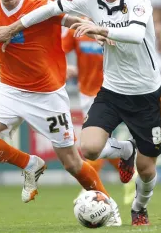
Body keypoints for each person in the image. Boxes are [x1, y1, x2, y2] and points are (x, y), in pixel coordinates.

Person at [0, 0, 161, 226]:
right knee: (89, 148)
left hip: (146, 92)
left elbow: (135, 33)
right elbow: (49, 9)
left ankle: (140, 207)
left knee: (146, 169)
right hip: (112, 90)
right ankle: (125, 150)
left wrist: (98, 29)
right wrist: (13, 28)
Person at [0, 0, 121, 226]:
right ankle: (30, 164)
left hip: (47, 95)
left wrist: (92, 30)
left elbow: (68, 18)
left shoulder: (38, 5)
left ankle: (108, 207)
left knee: (73, 163)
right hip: (9, 90)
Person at [62, 26, 135, 205]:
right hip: (87, 93)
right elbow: (58, 49)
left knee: (94, 143)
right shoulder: (77, 28)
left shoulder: (113, 25)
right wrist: (64, 66)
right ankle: (131, 174)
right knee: (97, 145)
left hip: (113, 91)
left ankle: (88, 188)